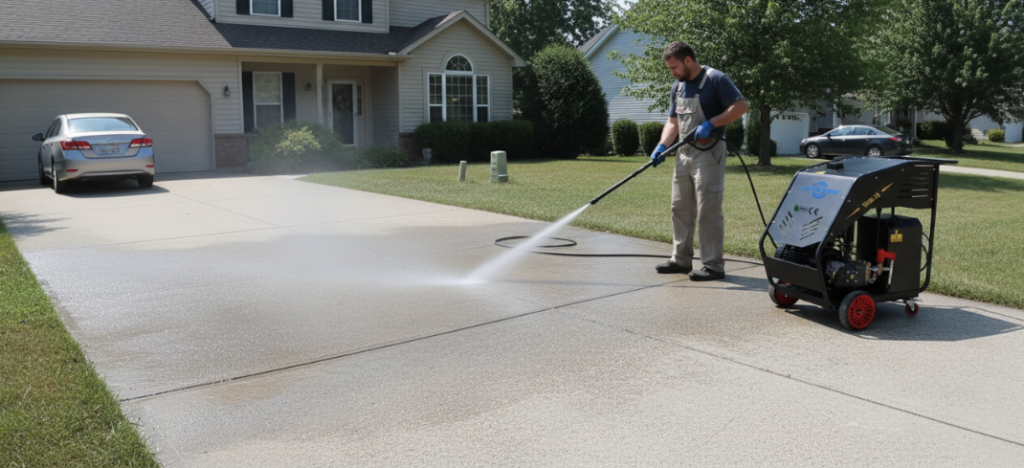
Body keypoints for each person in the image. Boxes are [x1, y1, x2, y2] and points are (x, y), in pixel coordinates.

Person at [650, 41, 748, 281]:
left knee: (709, 209)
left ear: (687, 61)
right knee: (679, 207)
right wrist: (662, 145)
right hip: (683, 154)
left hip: (709, 153)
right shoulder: (678, 87)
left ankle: (713, 265)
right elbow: (673, 122)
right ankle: (681, 259)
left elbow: (741, 106)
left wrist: (711, 123)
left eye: (674, 67)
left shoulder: (715, 79)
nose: (672, 72)